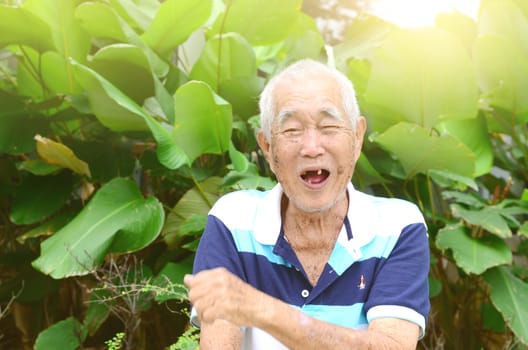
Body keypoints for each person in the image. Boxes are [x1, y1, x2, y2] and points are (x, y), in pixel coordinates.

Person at [184, 58, 430, 349]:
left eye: (328, 126)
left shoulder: (397, 226)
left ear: (357, 137)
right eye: (292, 130)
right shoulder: (233, 221)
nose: (312, 147)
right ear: (267, 147)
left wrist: (262, 309)